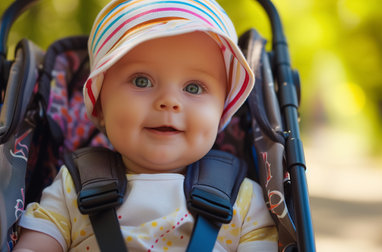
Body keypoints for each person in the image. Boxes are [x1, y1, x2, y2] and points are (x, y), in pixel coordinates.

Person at [13, 0, 278, 251]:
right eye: (142, 81)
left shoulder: (243, 200)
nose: (169, 102)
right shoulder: (71, 188)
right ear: (100, 106)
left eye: (194, 87)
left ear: (222, 113)